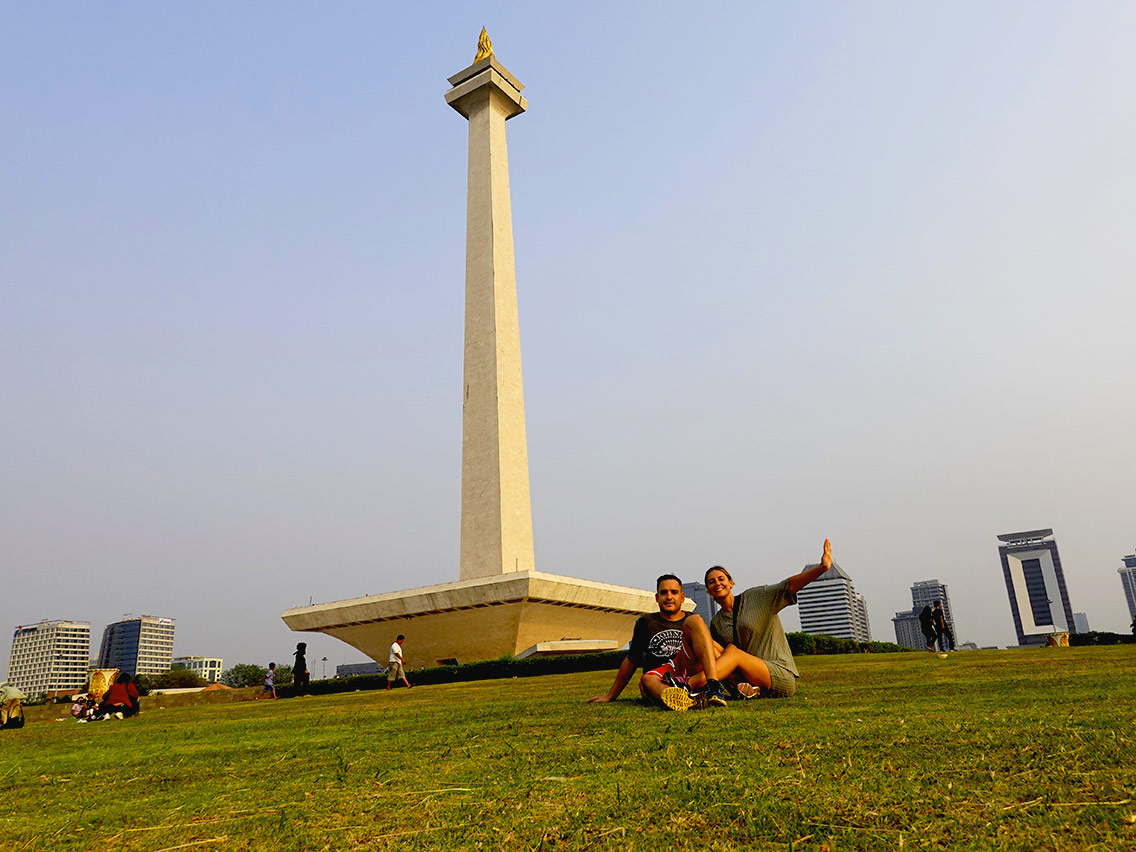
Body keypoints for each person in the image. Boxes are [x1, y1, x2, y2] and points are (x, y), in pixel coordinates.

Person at [703, 539, 833, 699]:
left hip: (778, 674)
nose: (717, 583)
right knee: (710, 645)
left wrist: (821, 568)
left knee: (733, 652)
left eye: (721, 579)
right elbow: (720, 658)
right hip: (745, 679)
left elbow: (787, 586)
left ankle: (690, 685)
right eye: (711, 582)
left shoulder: (757, 597)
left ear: (730, 583)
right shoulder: (717, 623)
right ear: (708, 591)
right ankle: (747, 690)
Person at [587, 574, 737, 711]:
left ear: (682, 597)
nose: (669, 597)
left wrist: (736, 684)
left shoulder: (693, 621)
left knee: (699, 624)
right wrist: (611, 696)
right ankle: (682, 699)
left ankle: (708, 688)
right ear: (657, 597)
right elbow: (632, 660)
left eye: (674, 592)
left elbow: (712, 652)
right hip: (660, 678)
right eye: (664, 593)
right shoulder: (646, 622)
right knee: (647, 679)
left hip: (689, 674)